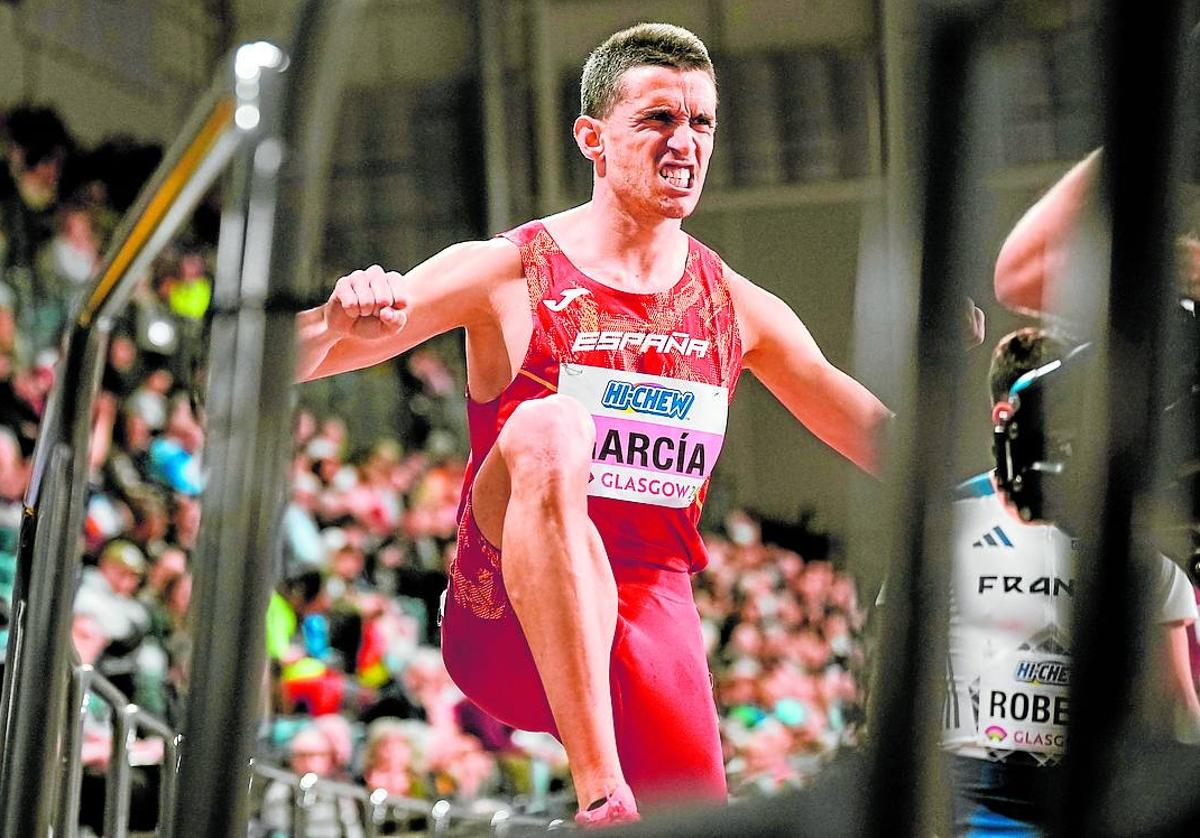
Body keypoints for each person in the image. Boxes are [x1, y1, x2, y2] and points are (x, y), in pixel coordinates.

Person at [296, 23, 890, 824]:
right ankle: (601, 792)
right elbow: (278, 369)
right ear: (593, 138)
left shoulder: (736, 307)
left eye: (702, 122)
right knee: (550, 428)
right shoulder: (508, 272)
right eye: (656, 119)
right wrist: (335, 320)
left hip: (649, 610)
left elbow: (877, 435)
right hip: (505, 610)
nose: (686, 141)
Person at [945, 328, 1200, 834]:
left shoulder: (1136, 541)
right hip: (974, 814)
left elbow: (1180, 708)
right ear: (1007, 417)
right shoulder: (945, 524)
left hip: (1087, 806)